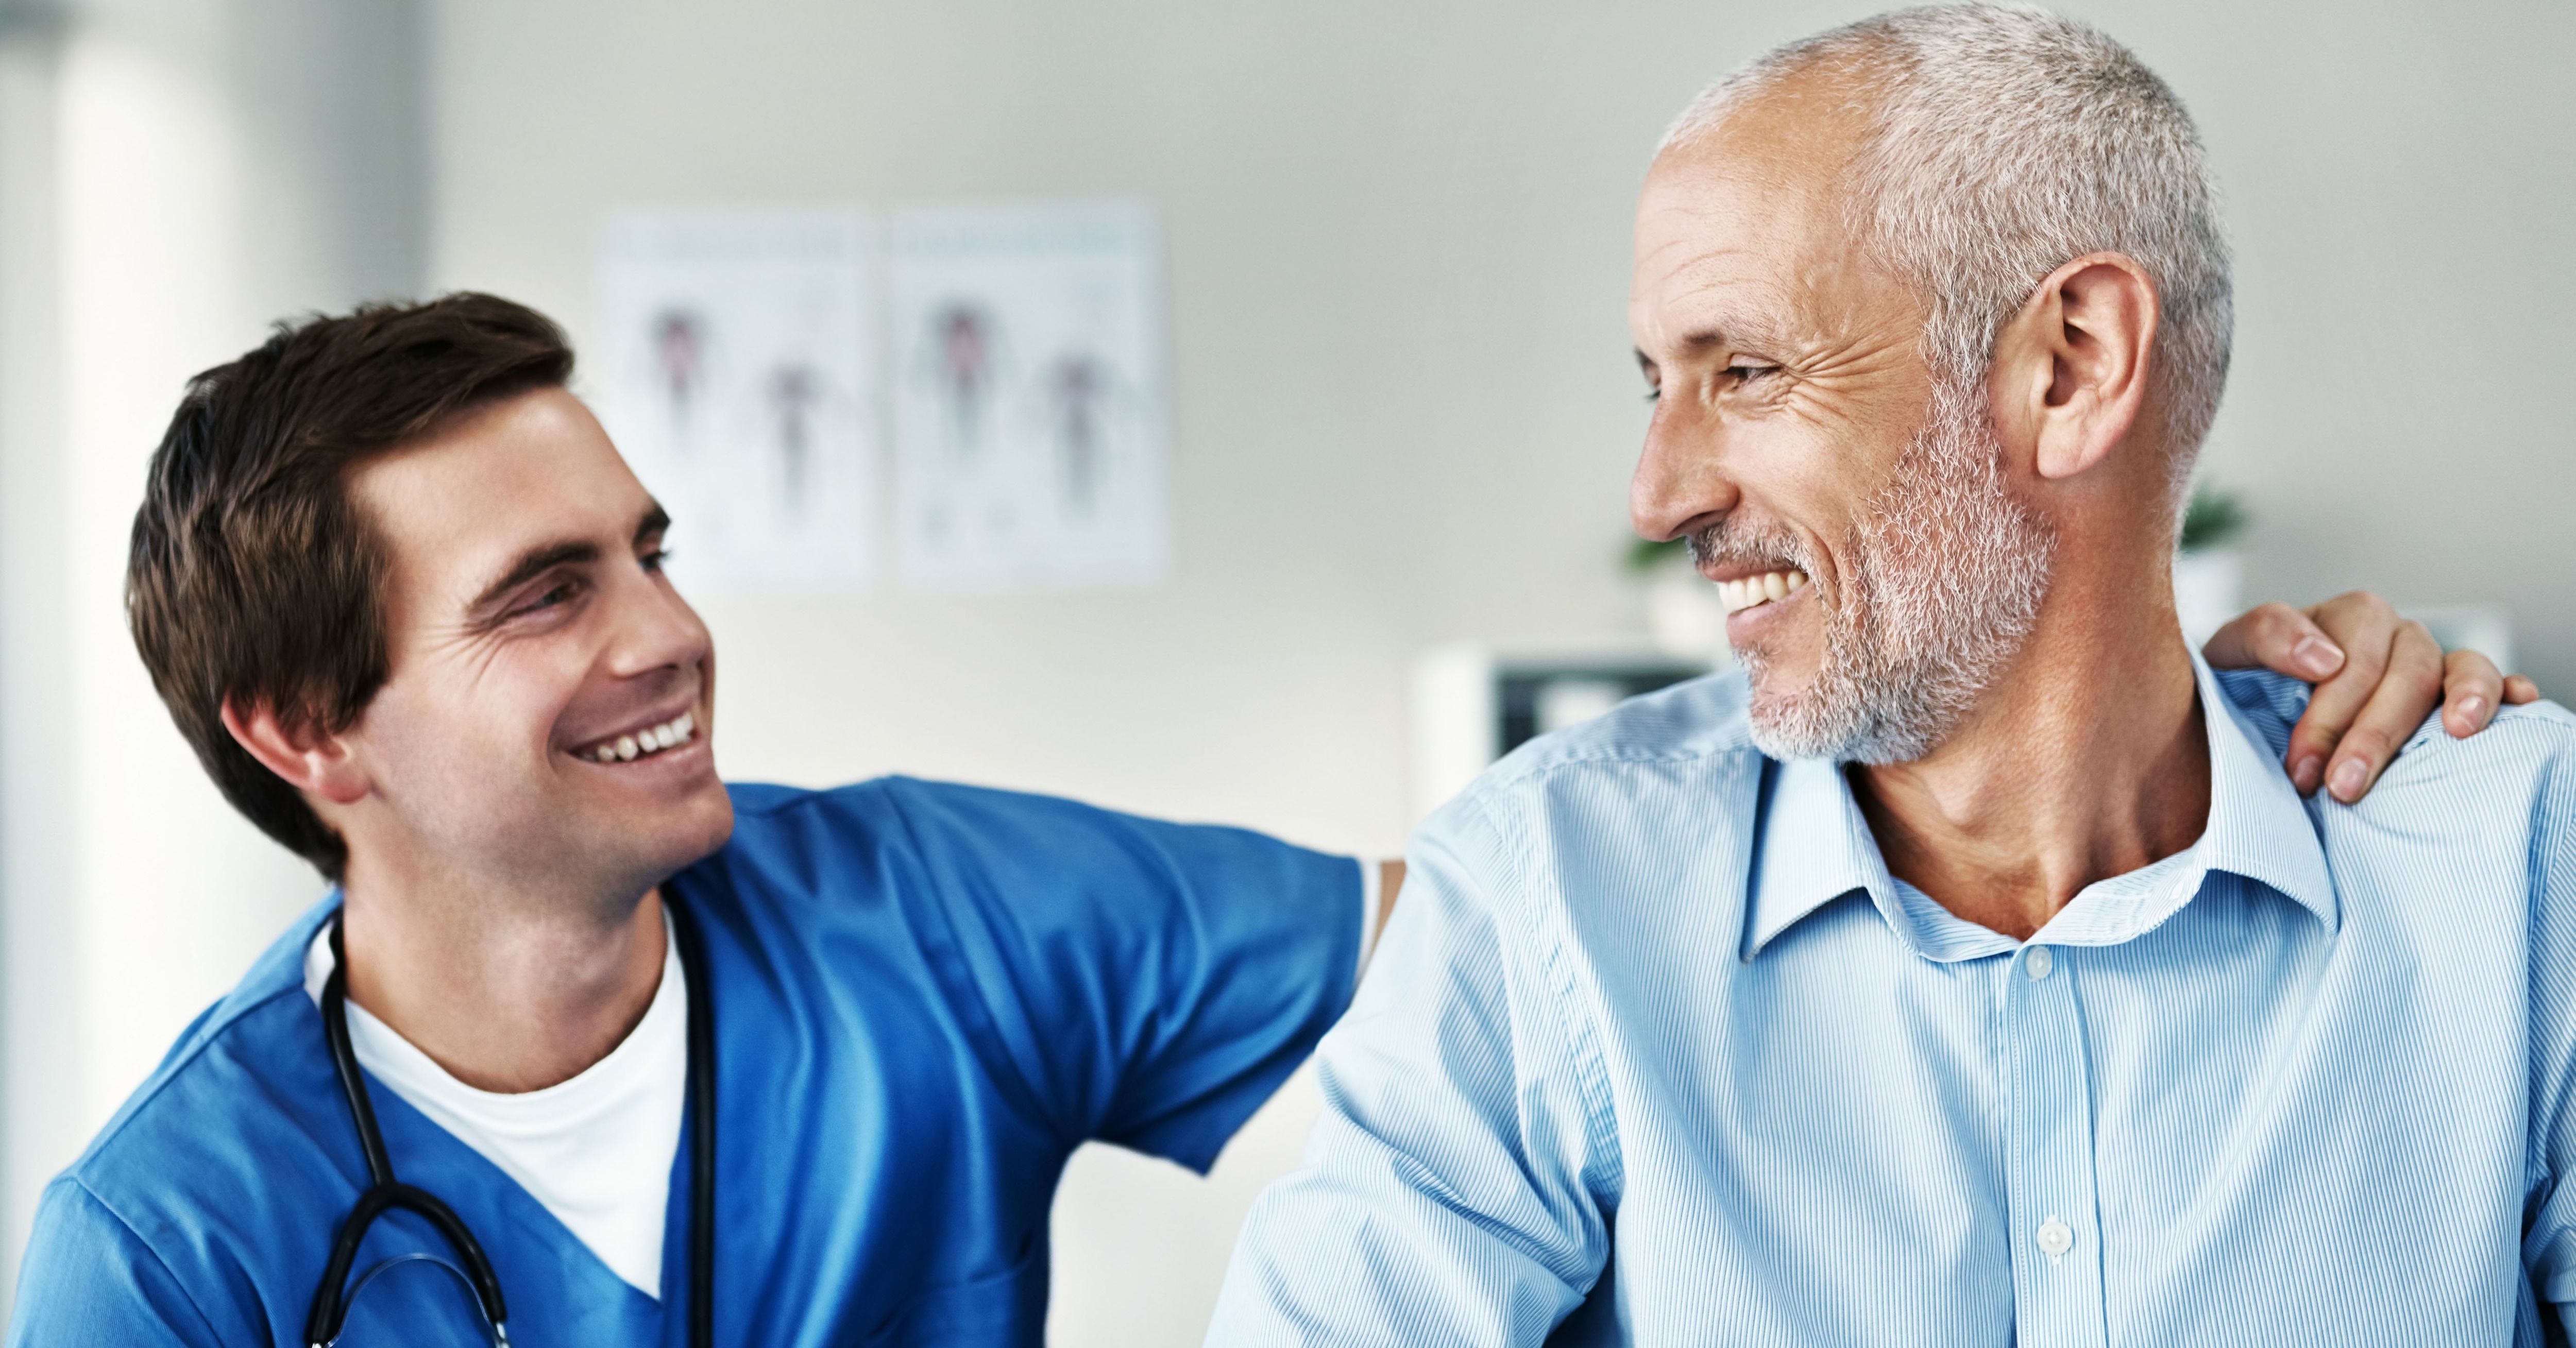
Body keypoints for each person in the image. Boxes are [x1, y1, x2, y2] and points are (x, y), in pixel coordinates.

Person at [0, 296, 2503, 1343]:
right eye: (545, 596)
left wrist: (2138, 723)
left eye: (652, 548)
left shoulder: (929, 913)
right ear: (306, 735)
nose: (663, 633)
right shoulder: (165, 1243)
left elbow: (1575, 974)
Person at [1210, 6, 2569, 1344]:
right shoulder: (1547, 890)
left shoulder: (2513, 862)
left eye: (1745, 369)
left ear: (2071, 366)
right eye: (1656, 385)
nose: (1658, 492)